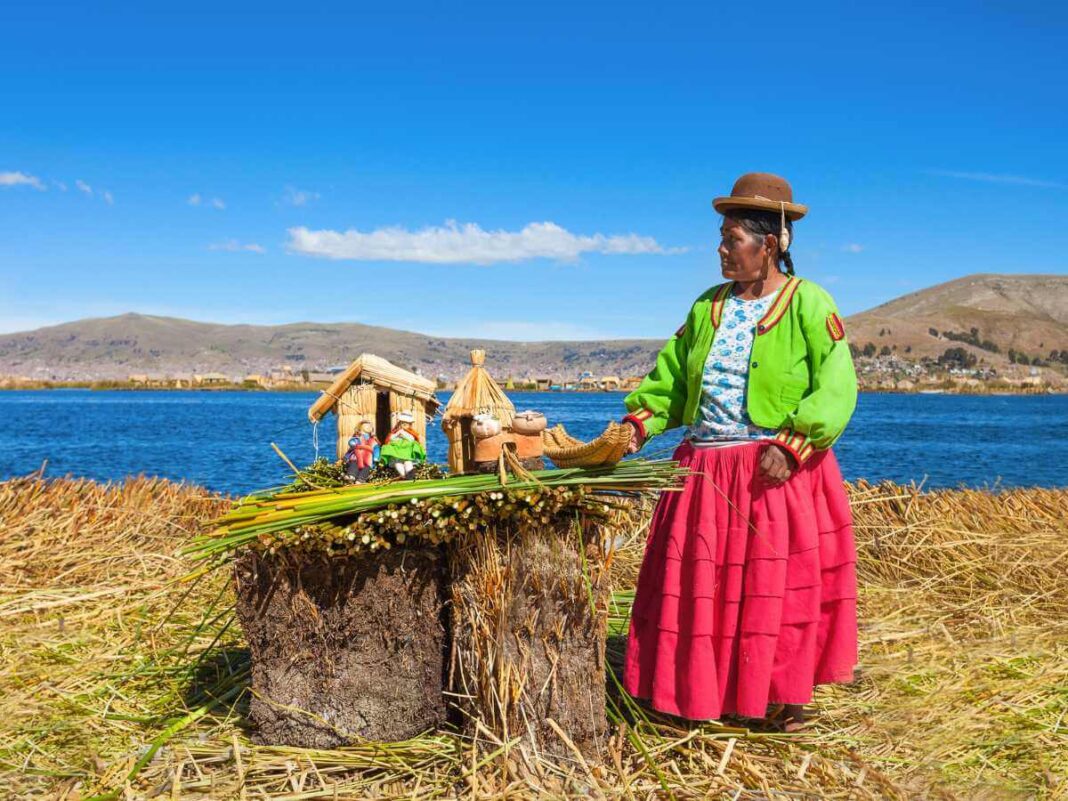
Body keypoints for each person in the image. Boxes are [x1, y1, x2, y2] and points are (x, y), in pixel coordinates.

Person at [620, 173, 858, 732]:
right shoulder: (707, 308)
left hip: (772, 469)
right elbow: (672, 381)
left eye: (732, 239)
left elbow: (836, 385)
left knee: (774, 591)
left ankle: (780, 695)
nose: (721, 249)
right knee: (701, 589)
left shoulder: (808, 302)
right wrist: (634, 429)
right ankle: (696, 693)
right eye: (722, 239)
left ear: (769, 244)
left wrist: (796, 442)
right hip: (703, 469)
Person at [379, 410, 427, 479]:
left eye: (406, 424)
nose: (404, 425)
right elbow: (391, 439)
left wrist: (404, 435)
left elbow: (412, 439)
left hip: (407, 453)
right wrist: (397, 434)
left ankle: (410, 474)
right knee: (398, 464)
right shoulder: (396, 431)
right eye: (402, 423)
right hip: (397, 454)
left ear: (409, 425)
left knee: (408, 463)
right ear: (399, 424)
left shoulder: (411, 433)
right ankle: (404, 476)